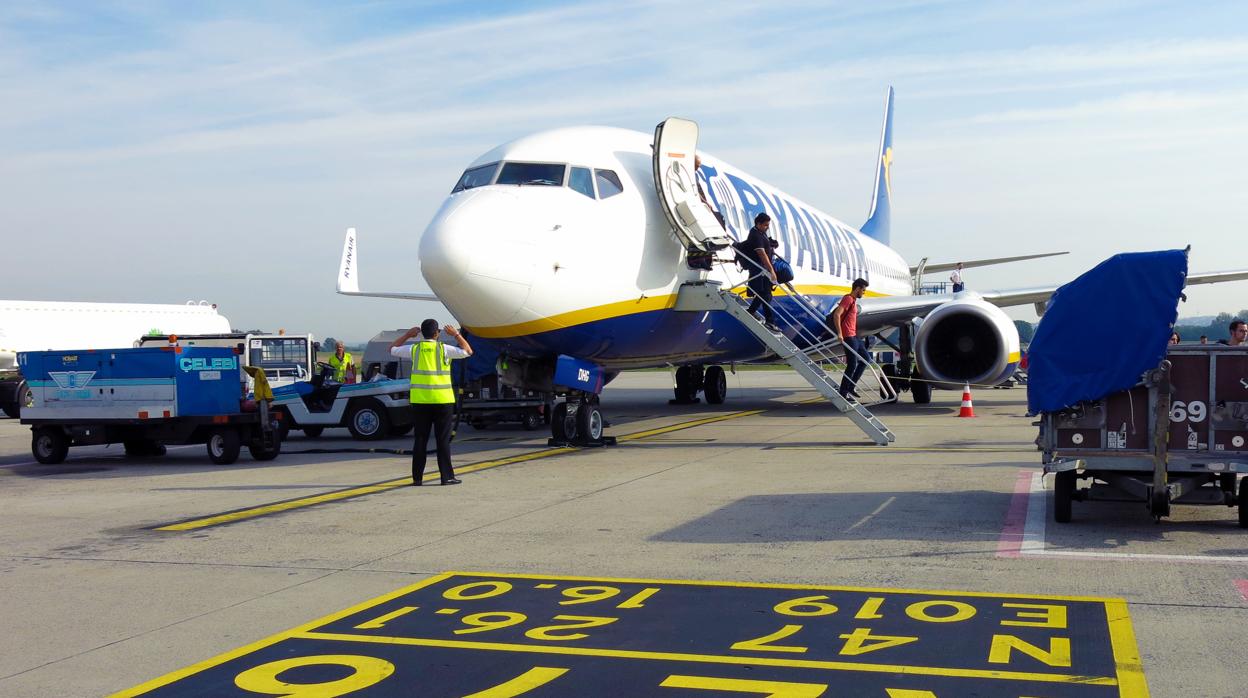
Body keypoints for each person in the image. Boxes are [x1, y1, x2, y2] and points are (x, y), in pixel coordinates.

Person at [391, 320, 473, 486]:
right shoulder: (444, 349)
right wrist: (456, 334)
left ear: (421, 333)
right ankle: (446, 476)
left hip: (420, 401)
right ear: (437, 333)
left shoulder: (415, 349)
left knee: (420, 439)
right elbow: (468, 351)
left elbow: (392, 349)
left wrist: (408, 335)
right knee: (442, 440)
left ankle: (417, 478)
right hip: (442, 401)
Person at [832, 278, 870, 398]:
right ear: (857, 288)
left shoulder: (853, 300)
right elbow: (837, 314)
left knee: (866, 359)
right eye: (863, 290)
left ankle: (851, 387)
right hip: (848, 336)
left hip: (854, 336)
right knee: (852, 364)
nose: (863, 293)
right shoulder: (848, 298)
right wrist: (839, 333)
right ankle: (844, 392)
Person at [744, 213, 781, 332]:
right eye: (765, 225)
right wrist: (771, 271)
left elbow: (766, 247)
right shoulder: (755, 235)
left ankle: (751, 311)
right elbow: (762, 254)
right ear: (758, 224)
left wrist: (771, 243)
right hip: (759, 269)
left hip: (762, 270)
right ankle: (770, 322)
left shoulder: (761, 233)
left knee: (763, 293)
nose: (767, 227)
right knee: (766, 295)